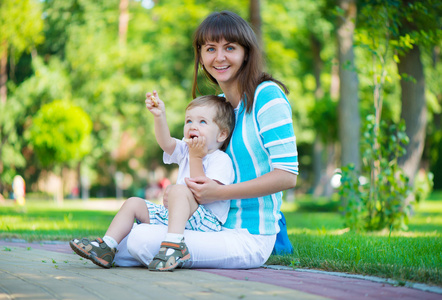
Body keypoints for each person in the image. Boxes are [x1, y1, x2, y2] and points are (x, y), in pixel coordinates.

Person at [109, 10, 298, 270]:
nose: (219, 57)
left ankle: (167, 248)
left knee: (140, 239)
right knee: (117, 247)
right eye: (210, 49)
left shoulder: (267, 96)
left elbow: (287, 175)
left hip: (248, 237)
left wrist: (220, 192)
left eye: (229, 47)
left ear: (246, 52)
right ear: (201, 55)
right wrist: (180, 199)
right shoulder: (220, 110)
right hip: (209, 226)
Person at [70, 94, 235, 270]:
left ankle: (174, 246)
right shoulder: (186, 151)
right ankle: (107, 246)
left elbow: (201, 194)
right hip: (178, 216)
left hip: (206, 222)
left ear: (221, 134)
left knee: (179, 190)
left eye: (202, 122)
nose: (193, 126)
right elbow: (166, 142)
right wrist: (159, 116)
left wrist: (195, 158)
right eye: (188, 121)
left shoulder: (220, 160)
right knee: (133, 203)